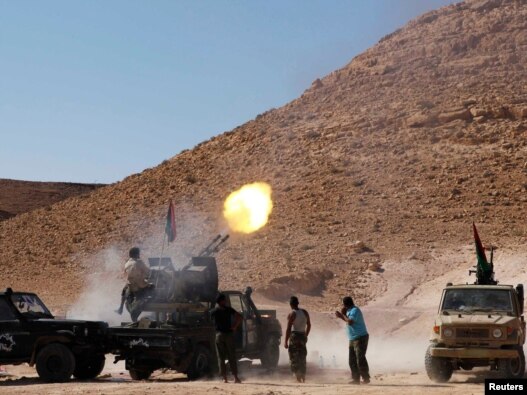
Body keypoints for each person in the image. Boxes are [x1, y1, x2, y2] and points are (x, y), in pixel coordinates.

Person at [335, 296, 370, 385]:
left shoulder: (355, 310)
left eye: (343, 304)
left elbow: (350, 322)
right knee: (352, 360)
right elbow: (348, 319)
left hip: (360, 337)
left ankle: (366, 378)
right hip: (353, 338)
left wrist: (341, 315)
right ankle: (356, 379)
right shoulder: (349, 311)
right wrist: (344, 314)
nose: (342, 306)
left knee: (360, 358)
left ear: (346, 304)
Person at [210, 293, 242, 383]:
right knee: (232, 356)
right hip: (229, 335)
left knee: (221, 357)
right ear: (221, 301)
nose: (226, 301)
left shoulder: (214, 311)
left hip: (219, 335)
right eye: (224, 300)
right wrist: (235, 326)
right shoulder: (229, 310)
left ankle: (224, 378)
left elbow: (208, 319)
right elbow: (239, 317)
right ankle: (235, 377)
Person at [115, 247, 150, 319]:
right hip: (140, 287)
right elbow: (148, 273)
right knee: (153, 287)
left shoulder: (127, 263)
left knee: (125, 288)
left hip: (130, 286)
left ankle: (120, 308)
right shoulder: (139, 262)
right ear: (137, 254)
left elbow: (126, 274)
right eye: (138, 253)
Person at [284, 296, 311, 383]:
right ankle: (303, 376)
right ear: (298, 303)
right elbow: (309, 325)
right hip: (302, 335)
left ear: (290, 304)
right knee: (302, 356)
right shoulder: (304, 312)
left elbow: (288, 329)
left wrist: (285, 341)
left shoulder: (292, 314)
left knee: (294, 356)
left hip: (295, 336)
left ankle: (297, 376)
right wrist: (305, 335)